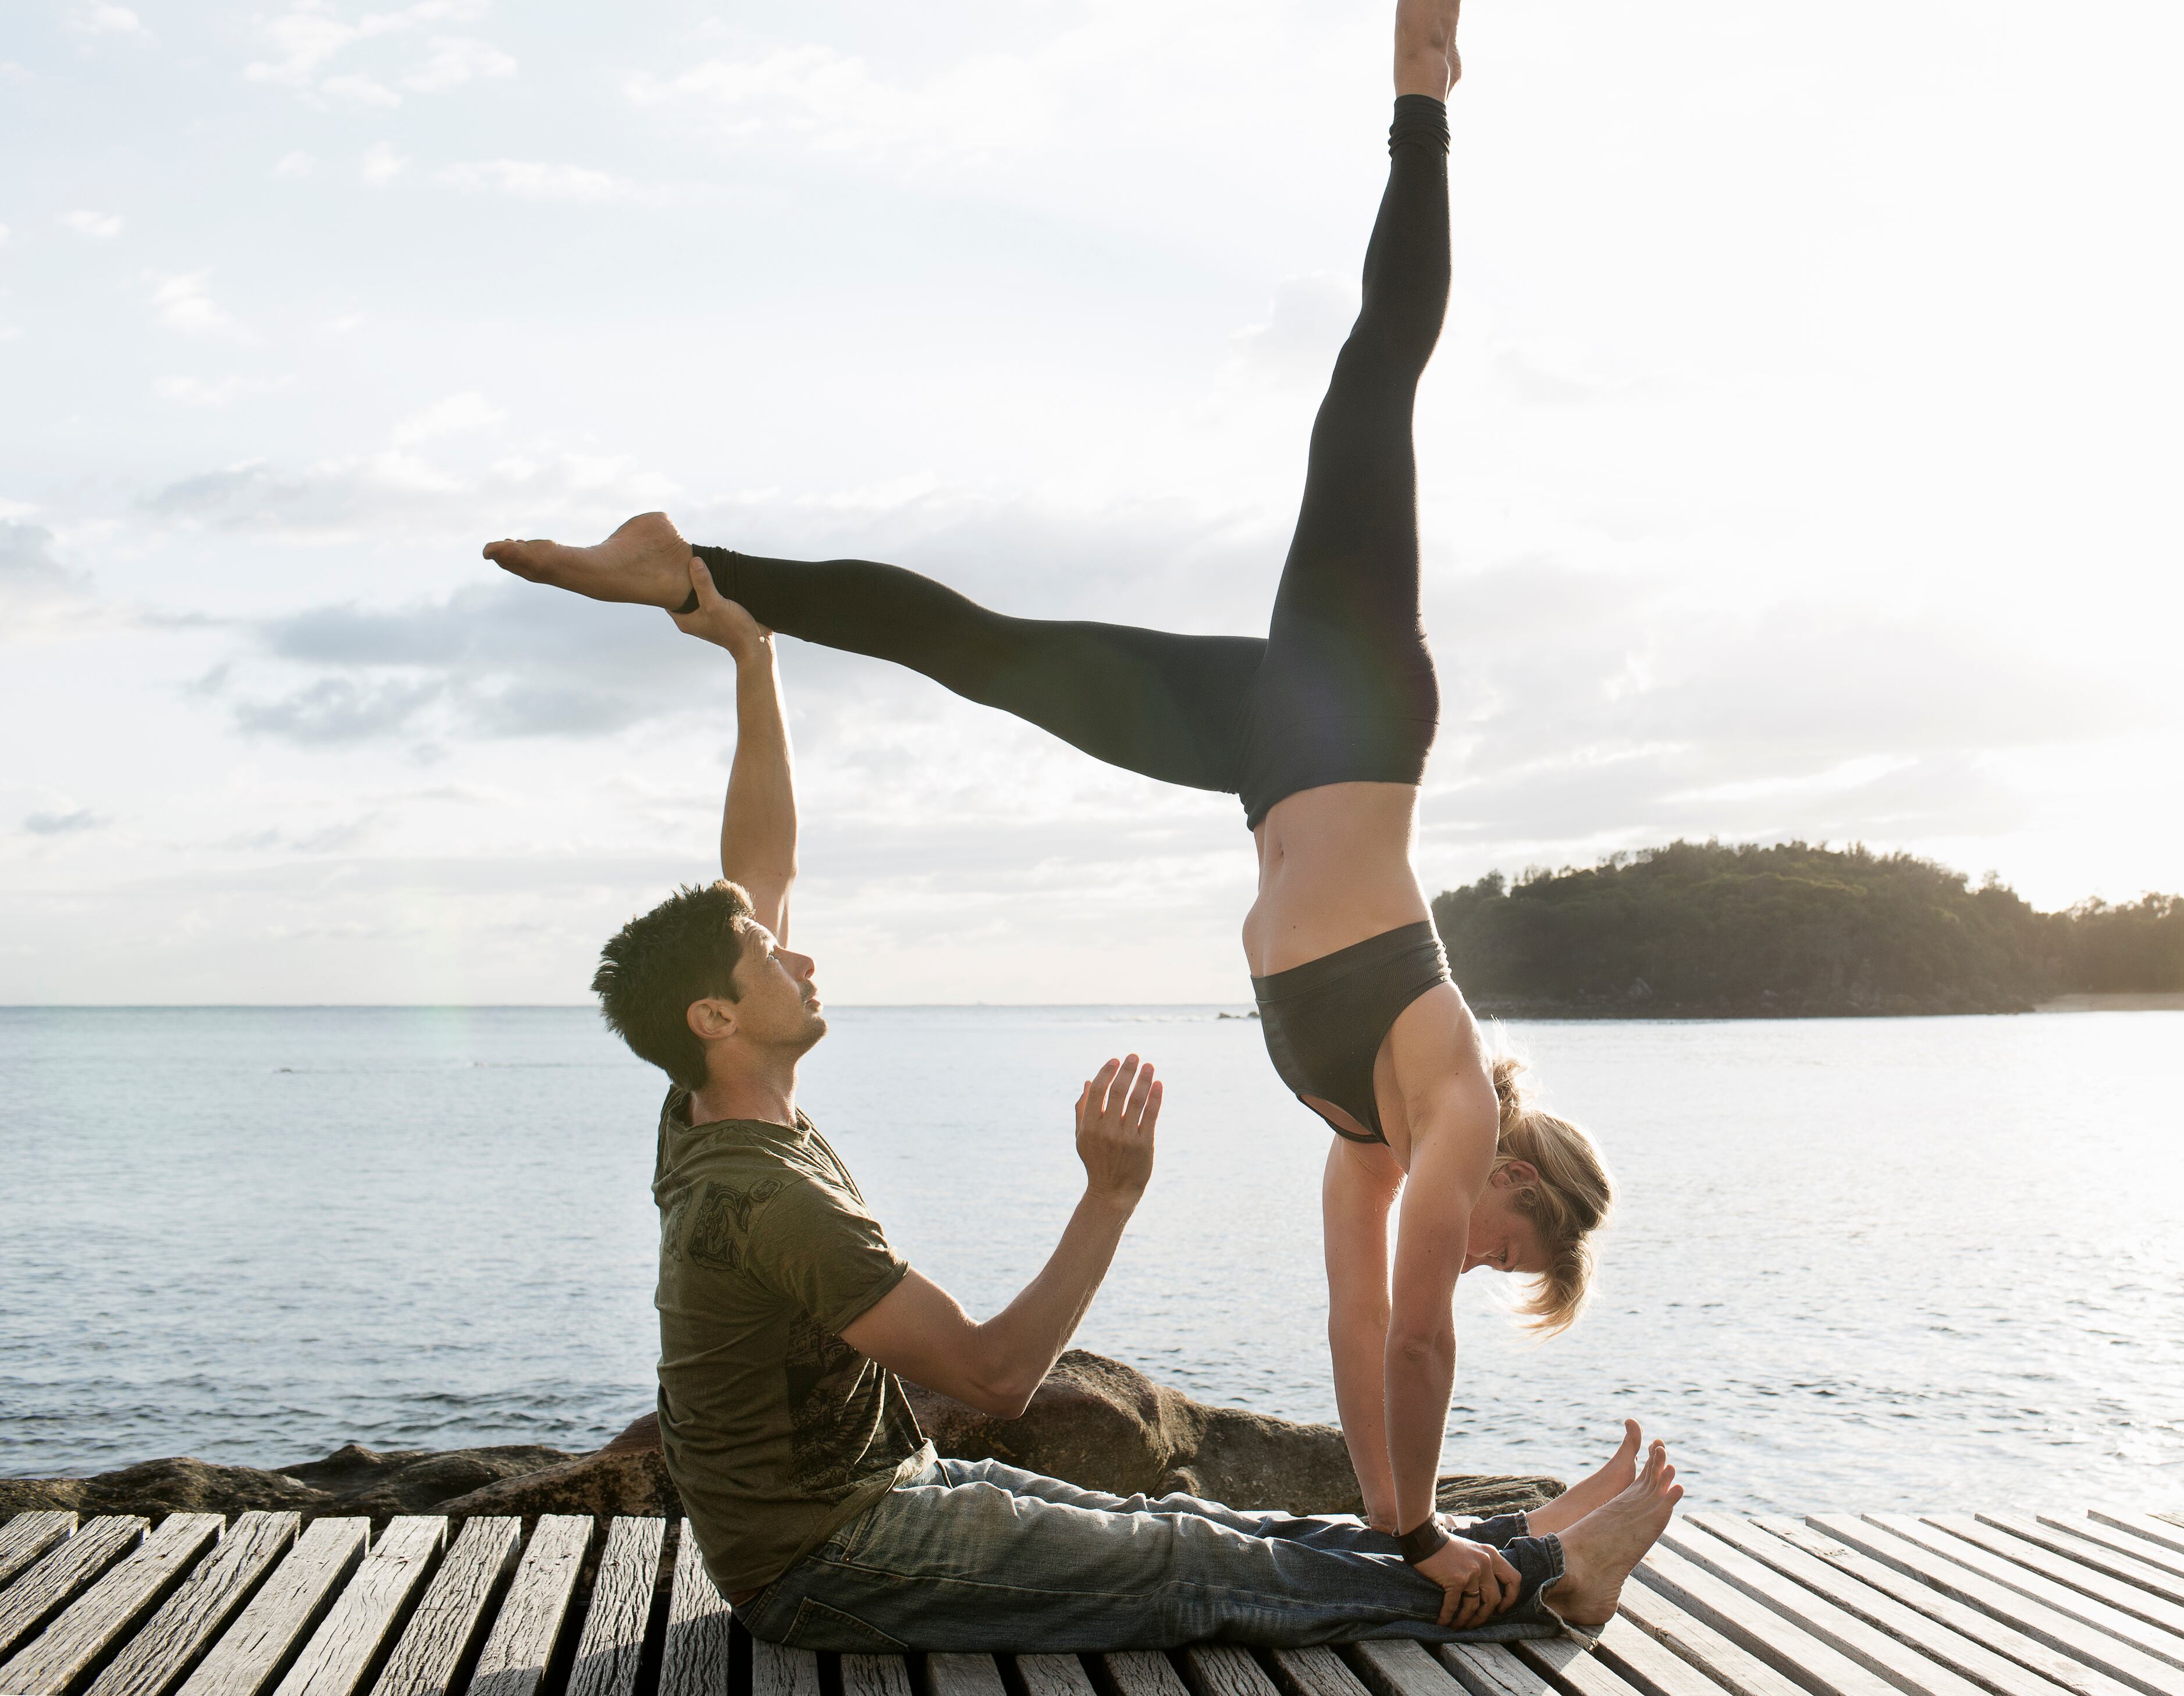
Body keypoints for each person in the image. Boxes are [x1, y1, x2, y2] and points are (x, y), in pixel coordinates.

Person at [492, 0, 1614, 1616]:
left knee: (985, 652)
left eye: (1489, 1266)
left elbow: (1351, 1323)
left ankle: (694, 570)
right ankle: (1422, 91)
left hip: (1260, 757)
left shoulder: (1357, 1123)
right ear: (1519, 1181)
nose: (1469, 1257)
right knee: (1367, 391)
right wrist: (1414, 1541)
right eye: (1504, 1249)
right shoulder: (1448, 1088)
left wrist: (1411, 1525)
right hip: (1351, 713)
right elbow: (1408, 1332)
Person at [595, 562, 1678, 1652]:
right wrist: (1109, 1196)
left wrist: (754, 654)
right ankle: (1549, 1582)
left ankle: (1508, 1542)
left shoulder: (711, 1101)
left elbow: (761, 866)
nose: (800, 955)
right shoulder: (766, 1198)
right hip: (827, 1560)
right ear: (715, 1016)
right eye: (769, 958)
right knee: (1184, 1568)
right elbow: (996, 1376)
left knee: (1191, 1527)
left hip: (878, 1498)